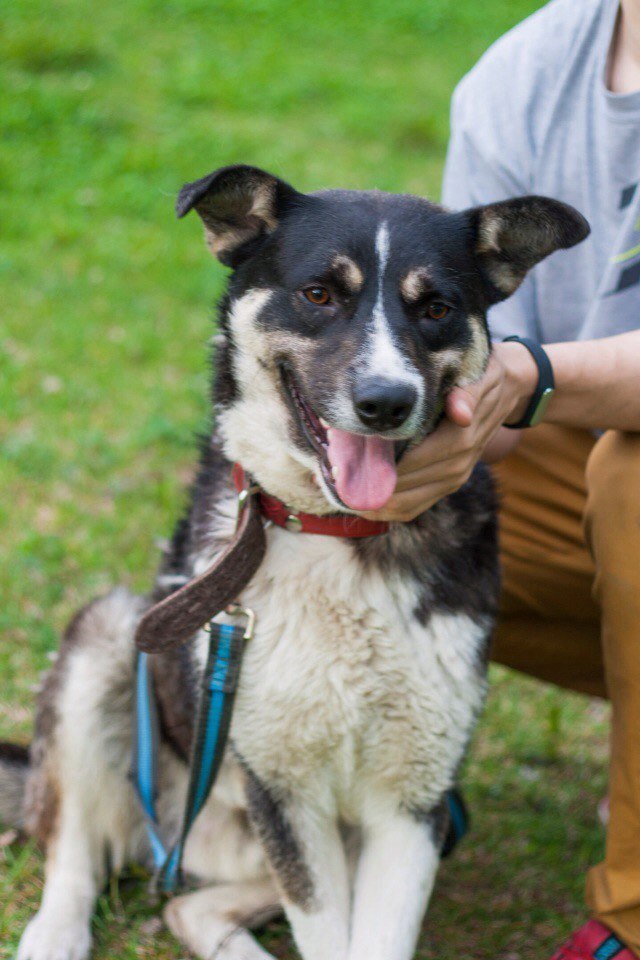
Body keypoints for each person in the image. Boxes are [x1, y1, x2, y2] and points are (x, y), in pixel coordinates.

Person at [362, 0, 640, 956]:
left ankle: (636, 920)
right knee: (385, 525)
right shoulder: (521, 78)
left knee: (635, 482)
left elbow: (525, 375)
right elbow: (485, 368)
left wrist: (534, 377)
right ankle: (371, 791)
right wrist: (452, 435)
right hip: (579, 439)